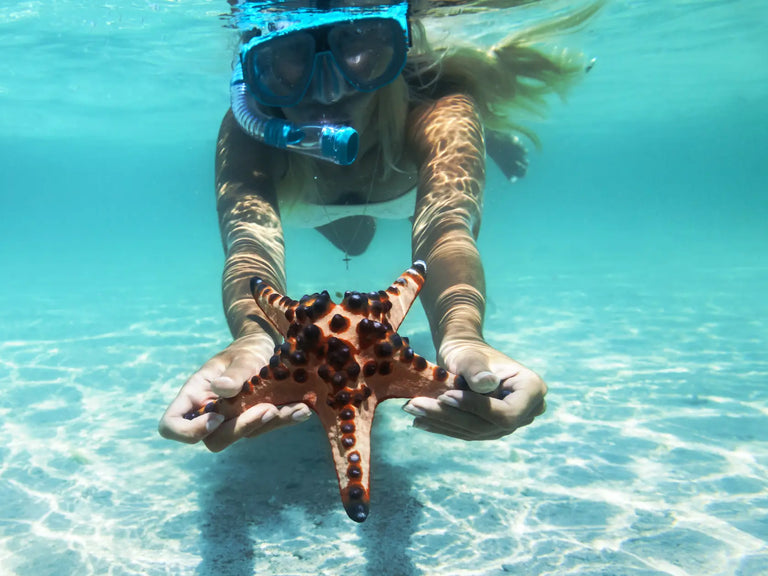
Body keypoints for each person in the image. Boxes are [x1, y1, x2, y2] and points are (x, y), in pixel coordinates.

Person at [159, 0, 602, 450]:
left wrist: (462, 335)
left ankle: (493, 136)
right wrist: (252, 338)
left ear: (398, 45)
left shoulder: (438, 110)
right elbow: (248, 246)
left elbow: (447, 228)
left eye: (358, 40)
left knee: (445, 148)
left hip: (408, 170)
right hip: (329, 203)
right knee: (353, 237)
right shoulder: (246, 132)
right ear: (251, 70)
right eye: (288, 58)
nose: (328, 93)